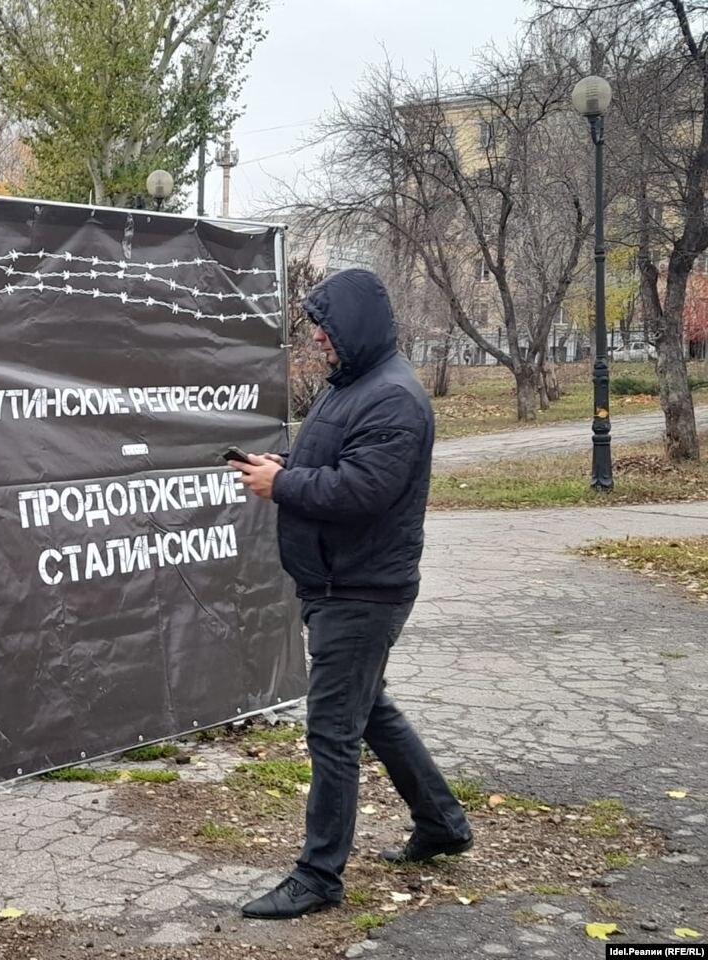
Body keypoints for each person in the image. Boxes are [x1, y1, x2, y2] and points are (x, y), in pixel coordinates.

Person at [232, 268, 472, 920]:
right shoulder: (354, 386)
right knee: (369, 712)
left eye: (325, 326)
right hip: (338, 582)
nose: (317, 337)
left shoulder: (393, 397)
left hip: (362, 590)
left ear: (355, 326)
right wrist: (286, 468)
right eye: (315, 326)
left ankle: (318, 877)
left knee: (333, 729)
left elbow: (363, 491)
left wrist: (282, 487)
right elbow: (336, 466)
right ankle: (442, 823)